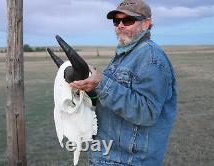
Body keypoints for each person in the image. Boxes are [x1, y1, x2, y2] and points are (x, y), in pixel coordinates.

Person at [70, 0, 177, 165]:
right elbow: (109, 100)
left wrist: (102, 83)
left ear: (146, 23)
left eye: (127, 20)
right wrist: (88, 86)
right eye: (116, 21)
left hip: (128, 160)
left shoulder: (151, 58)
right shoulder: (126, 54)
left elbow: (147, 112)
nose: (120, 25)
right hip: (109, 156)